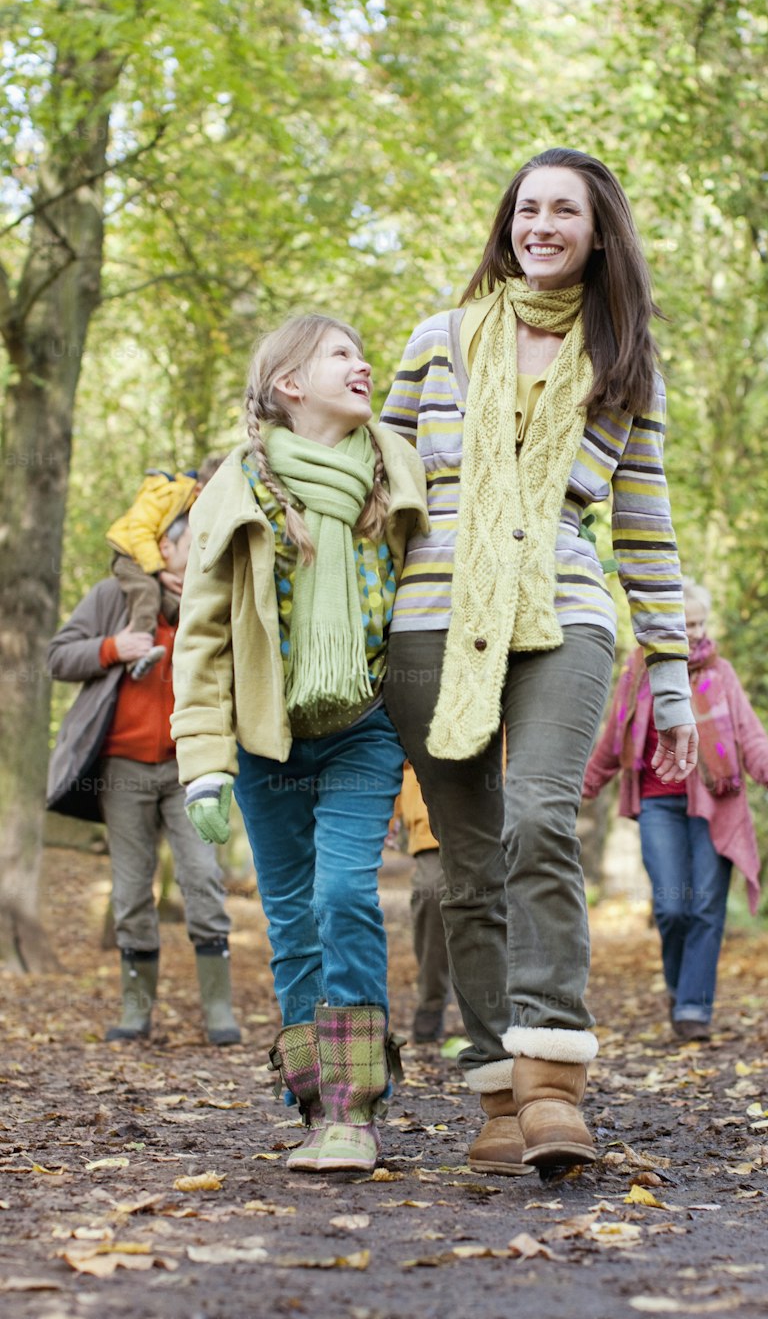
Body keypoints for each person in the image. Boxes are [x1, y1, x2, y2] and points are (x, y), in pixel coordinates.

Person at [380, 147, 698, 1179]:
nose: (541, 224)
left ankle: (553, 1075)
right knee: (464, 867)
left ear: (598, 230)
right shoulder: (439, 341)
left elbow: (643, 529)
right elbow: (370, 478)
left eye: (564, 209)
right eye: (527, 208)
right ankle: (495, 1094)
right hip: (431, 613)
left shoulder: (626, 365)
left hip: (563, 608)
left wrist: (671, 674)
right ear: (507, 223)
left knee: (540, 816)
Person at [171, 313, 428, 1173]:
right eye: (341, 355)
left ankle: (357, 1108)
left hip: (363, 728)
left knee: (344, 895)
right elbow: (201, 638)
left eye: (363, 350)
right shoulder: (235, 489)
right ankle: (315, 1105)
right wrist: (202, 764)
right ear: (289, 385)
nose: (363, 364)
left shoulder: (396, 469)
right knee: (291, 925)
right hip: (266, 743)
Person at [584, 577, 768, 1042]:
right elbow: (611, 742)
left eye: (701, 623)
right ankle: (678, 987)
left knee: (706, 907)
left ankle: (693, 1007)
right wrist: (574, 789)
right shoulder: (637, 673)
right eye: (686, 624)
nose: (696, 632)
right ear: (662, 625)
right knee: (672, 907)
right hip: (656, 804)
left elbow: (751, 740)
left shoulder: (719, 674)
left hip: (716, 807)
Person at [47, 516, 240, 1047]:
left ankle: (219, 1010)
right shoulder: (113, 595)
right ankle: (135, 1011)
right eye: (190, 541)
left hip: (190, 767)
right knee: (131, 892)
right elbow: (58, 655)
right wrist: (113, 647)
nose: (201, 548)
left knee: (202, 879)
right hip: (122, 770)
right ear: (163, 548)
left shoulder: (214, 594)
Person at [106, 458, 222, 678]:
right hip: (130, 556)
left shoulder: (188, 505)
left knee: (171, 602)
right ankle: (139, 655)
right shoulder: (167, 494)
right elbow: (139, 531)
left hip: (147, 559)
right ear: (199, 489)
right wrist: (159, 573)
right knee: (147, 592)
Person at [388, 762, 452, 1045]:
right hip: (431, 822)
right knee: (431, 894)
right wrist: (386, 816)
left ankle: (504, 1006)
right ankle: (432, 1000)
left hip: (499, 809)